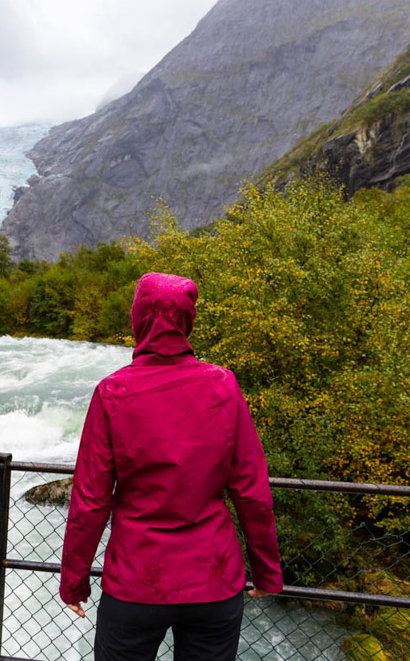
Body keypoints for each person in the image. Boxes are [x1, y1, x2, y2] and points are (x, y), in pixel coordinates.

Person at [59, 272, 283, 661]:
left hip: (135, 581)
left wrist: (74, 581)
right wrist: (267, 571)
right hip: (213, 578)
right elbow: (251, 490)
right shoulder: (223, 384)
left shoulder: (113, 391)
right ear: (187, 321)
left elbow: (90, 499)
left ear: (138, 318)